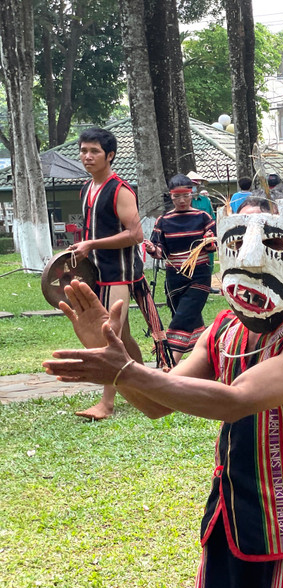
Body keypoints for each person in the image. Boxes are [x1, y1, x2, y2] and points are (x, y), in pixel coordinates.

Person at [44, 193, 283, 588]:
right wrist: (116, 348)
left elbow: (235, 400)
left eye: (271, 241)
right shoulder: (225, 329)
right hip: (231, 517)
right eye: (236, 240)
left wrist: (124, 368)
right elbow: (155, 404)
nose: (250, 256)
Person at [67, 127, 146, 421]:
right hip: (98, 274)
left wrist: (92, 243)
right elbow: (93, 231)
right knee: (121, 333)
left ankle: (107, 404)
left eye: (94, 151)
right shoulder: (87, 189)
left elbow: (136, 234)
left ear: (109, 155)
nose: (87, 156)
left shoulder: (120, 190)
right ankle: (151, 386)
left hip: (120, 274)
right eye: (84, 150)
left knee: (109, 334)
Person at [145, 174, 216, 362]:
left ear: (192, 194)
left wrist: (209, 241)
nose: (182, 200)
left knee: (184, 316)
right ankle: (207, 353)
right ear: (171, 196)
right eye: (177, 197)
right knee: (189, 318)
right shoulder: (163, 221)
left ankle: (169, 360)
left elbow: (213, 244)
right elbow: (160, 251)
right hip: (174, 277)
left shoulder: (203, 217)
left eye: (186, 195)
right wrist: (152, 249)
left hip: (199, 274)